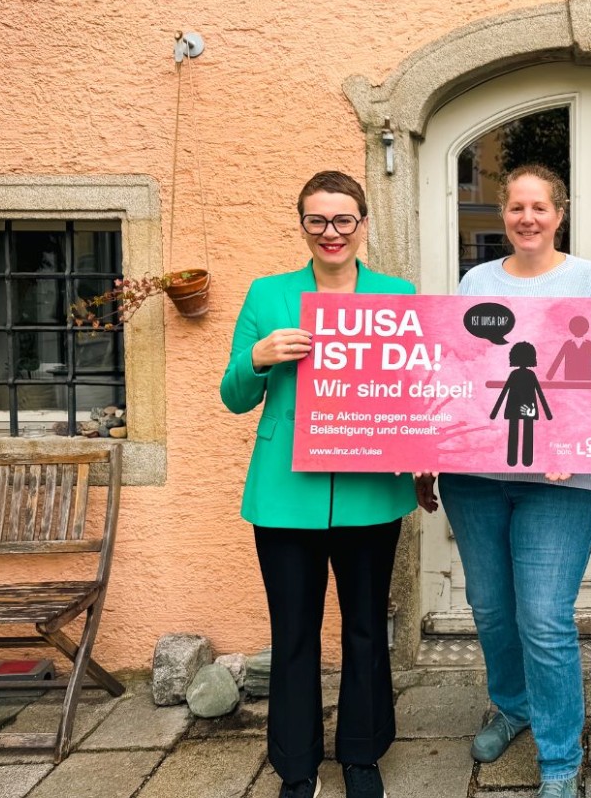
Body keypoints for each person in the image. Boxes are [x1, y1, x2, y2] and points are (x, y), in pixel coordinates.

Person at [415, 164, 591, 798]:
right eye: (515, 208)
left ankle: (559, 759)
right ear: (503, 214)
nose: (527, 218)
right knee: (491, 609)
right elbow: (456, 373)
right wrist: (427, 445)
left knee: (544, 617)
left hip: (563, 483)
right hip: (476, 477)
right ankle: (513, 707)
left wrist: (574, 439)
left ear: (559, 213)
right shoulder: (476, 281)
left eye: (539, 207)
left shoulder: (590, 280)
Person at [220, 170, 416, 798]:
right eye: (317, 220)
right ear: (302, 224)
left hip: (371, 490)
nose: (331, 232)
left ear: (363, 223)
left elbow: (416, 389)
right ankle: (295, 764)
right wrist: (258, 358)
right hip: (285, 495)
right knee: (294, 634)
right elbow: (233, 396)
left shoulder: (397, 295)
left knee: (366, 628)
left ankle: (362, 753)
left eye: (343, 220)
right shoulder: (268, 293)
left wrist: (427, 450)